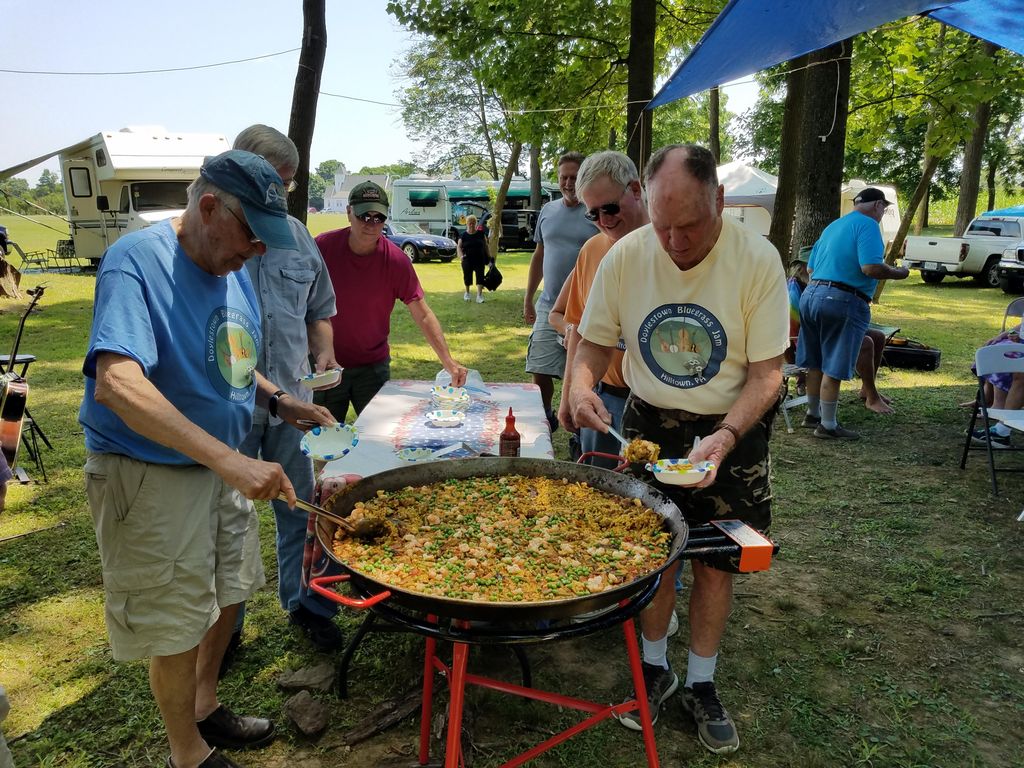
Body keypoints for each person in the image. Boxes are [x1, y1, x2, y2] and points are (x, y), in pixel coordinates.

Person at [79, 150, 336, 768]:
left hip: (220, 465)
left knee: (228, 591)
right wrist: (229, 460)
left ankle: (204, 704)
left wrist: (278, 402)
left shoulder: (231, 268)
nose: (257, 251)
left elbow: (234, 361)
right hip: (152, 474)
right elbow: (117, 383)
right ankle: (187, 754)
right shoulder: (136, 261)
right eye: (252, 236)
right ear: (210, 207)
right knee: (176, 621)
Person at [568, 144, 789, 754]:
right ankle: (654, 667)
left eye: (689, 225)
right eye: (663, 226)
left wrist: (725, 436)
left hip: (731, 427)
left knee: (716, 561)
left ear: (719, 199)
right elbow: (592, 344)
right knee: (652, 553)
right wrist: (581, 386)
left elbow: (768, 373)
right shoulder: (626, 255)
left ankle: (702, 682)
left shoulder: (756, 259)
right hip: (649, 427)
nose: (674, 242)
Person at [231, 125, 342, 653]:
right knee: (225, 519)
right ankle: (224, 631)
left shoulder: (297, 236)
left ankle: (305, 604)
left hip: (294, 401)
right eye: (273, 181)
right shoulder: (216, 238)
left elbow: (319, 311)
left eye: (288, 184)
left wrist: (325, 352)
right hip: (228, 405)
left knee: (300, 507)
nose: (281, 193)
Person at [314, 182, 467, 423]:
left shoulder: (396, 261)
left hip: (372, 368)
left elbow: (422, 314)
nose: (371, 224)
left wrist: (448, 362)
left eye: (378, 218)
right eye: (364, 215)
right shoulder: (322, 248)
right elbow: (299, 302)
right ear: (349, 212)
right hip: (326, 366)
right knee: (324, 436)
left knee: (378, 434)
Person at [548, 150, 649, 469]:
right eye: (593, 214)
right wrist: (569, 394)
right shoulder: (592, 250)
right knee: (597, 490)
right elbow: (577, 328)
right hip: (603, 398)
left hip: (654, 406)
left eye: (610, 208)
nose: (604, 221)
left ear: (636, 190)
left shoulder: (670, 249)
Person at [796, 187, 910, 439]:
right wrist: (899, 273)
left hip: (811, 295)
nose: (882, 213)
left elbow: (811, 269)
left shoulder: (833, 226)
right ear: (878, 205)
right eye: (884, 209)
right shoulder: (868, 225)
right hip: (843, 299)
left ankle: (812, 414)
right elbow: (870, 267)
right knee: (834, 364)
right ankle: (828, 425)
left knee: (815, 361)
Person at [523, 152, 598, 428]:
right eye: (563, 177)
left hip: (586, 309)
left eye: (574, 177)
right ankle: (545, 417)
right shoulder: (548, 211)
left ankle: (579, 428)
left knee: (583, 371)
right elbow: (539, 255)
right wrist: (529, 298)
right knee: (539, 367)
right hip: (549, 304)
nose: (568, 183)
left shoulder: (595, 212)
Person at [787, 256, 893, 414]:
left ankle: (866, 389)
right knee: (865, 343)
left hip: (831, 330)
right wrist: (798, 370)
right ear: (801, 269)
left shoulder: (818, 284)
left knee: (877, 337)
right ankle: (871, 398)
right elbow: (788, 335)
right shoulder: (794, 293)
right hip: (811, 341)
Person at [458, 214, 491, 303]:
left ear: (476, 224)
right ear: (467, 224)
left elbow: (486, 246)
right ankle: (467, 293)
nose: (472, 225)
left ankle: (479, 296)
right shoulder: (463, 235)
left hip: (480, 259)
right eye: (470, 223)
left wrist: (489, 257)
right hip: (467, 259)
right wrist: (461, 256)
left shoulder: (481, 234)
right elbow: (459, 247)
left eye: (473, 223)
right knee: (467, 276)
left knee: (480, 276)